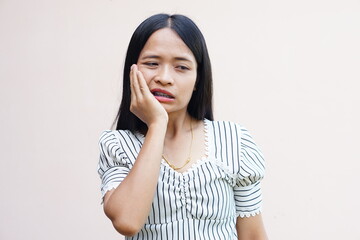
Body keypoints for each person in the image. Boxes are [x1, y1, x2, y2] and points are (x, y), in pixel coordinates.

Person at [98, 13, 268, 240]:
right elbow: (127, 221)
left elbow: (253, 236)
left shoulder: (235, 141)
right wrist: (157, 124)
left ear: (198, 78)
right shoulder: (117, 145)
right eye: (152, 63)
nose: (164, 77)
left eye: (181, 67)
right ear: (133, 70)